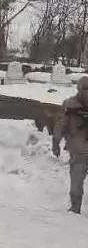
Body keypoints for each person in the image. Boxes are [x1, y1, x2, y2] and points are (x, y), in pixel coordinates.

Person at [52, 76, 88, 214]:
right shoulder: (70, 105)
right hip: (78, 151)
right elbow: (61, 124)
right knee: (76, 184)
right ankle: (75, 209)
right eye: (85, 89)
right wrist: (56, 141)